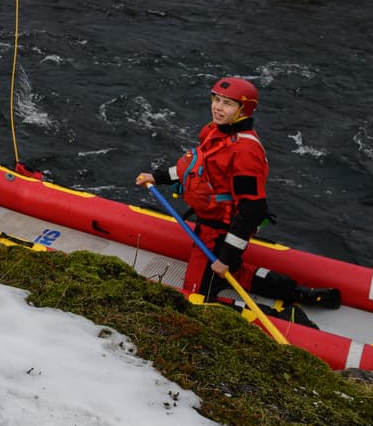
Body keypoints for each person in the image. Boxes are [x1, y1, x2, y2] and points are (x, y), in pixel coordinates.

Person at [134, 78, 339, 310]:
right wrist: (157, 177)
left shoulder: (245, 152)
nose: (218, 108)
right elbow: (194, 169)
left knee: (195, 293)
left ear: (243, 110)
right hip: (208, 223)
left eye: (228, 104)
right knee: (233, 272)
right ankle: (296, 291)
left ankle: (269, 313)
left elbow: (252, 210)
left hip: (222, 229)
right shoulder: (215, 132)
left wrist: (225, 256)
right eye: (217, 100)